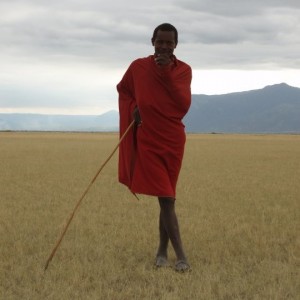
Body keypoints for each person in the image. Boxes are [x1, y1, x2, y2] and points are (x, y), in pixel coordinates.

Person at [117, 23, 192, 272]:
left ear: (175, 45)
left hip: (172, 141)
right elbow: (124, 90)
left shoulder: (183, 71)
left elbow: (182, 105)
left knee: (166, 196)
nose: (164, 46)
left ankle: (161, 250)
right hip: (148, 139)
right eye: (160, 41)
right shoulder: (138, 67)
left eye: (169, 43)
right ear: (152, 41)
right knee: (167, 199)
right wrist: (133, 109)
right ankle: (181, 256)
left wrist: (166, 74)